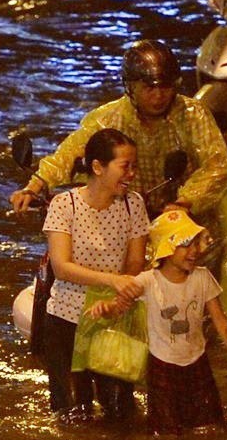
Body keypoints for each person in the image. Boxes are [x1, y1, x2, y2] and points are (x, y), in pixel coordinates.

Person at [10, 39, 227, 315]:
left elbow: (217, 166)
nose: (158, 96)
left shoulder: (194, 116)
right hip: (128, 213)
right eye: (149, 88)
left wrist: (184, 203)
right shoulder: (109, 118)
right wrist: (36, 184)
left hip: (188, 218)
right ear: (131, 87)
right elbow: (71, 152)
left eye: (164, 87)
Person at [88, 210, 227, 434]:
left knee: (210, 426)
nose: (193, 251)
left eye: (195, 244)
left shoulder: (202, 278)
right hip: (162, 366)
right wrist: (105, 308)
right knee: (165, 432)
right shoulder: (148, 281)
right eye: (185, 245)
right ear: (166, 249)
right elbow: (119, 307)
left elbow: (221, 323)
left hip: (198, 362)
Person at [42, 128, 150, 419]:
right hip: (67, 318)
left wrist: (117, 300)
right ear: (98, 167)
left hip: (113, 317)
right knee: (71, 414)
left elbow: (135, 262)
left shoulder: (133, 204)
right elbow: (61, 267)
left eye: (134, 166)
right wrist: (112, 280)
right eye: (125, 166)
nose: (131, 174)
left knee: (120, 412)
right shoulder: (64, 205)